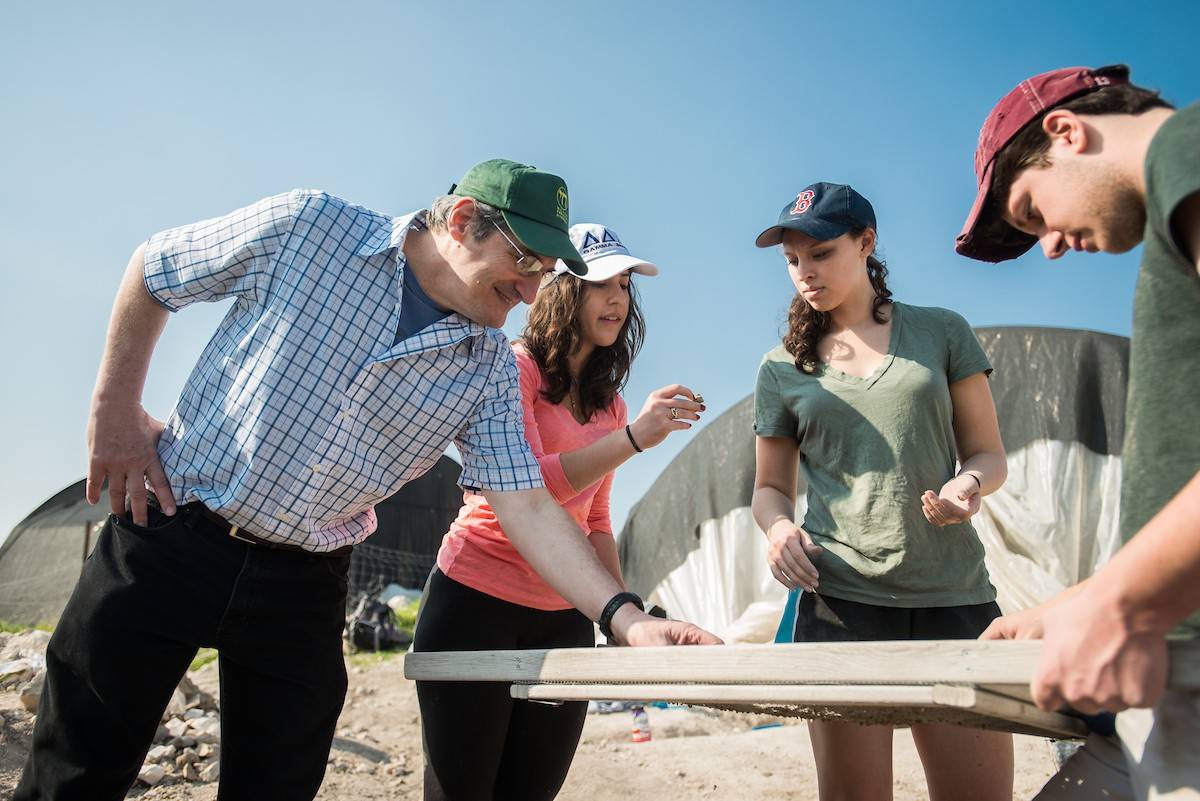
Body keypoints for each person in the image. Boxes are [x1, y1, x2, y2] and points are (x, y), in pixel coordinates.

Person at [16, 160, 719, 801]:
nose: (535, 289)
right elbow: (156, 267)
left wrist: (627, 619)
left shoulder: (487, 368)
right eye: (525, 260)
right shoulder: (310, 227)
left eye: (545, 270)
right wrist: (113, 411)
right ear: (464, 218)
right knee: (77, 769)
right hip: (175, 532)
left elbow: (530, 504)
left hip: (305, 585)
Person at [956, 64, 1199, 800]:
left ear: (1066, 130)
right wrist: (1074, 603)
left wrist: (1123, 605)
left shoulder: (1188, 146)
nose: (1051, 246)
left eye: (1032, 213)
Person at [414, 222, 703, 800]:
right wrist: (635, 439)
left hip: (566, 618)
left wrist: (626, 620)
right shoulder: (511, 367)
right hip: (475, 603)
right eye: (602, 284)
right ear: (560, 288)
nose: (618, 298)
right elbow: (523, 489)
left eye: (624, 285)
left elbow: (594, 521)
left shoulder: (611, 401)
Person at [752, 182, 1013, 801]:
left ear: (866, 243)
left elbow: (989, 454)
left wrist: (968, 485)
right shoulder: (781, 368)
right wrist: (780, 529)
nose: (804, 272)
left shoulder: (943, 333)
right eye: (792, 261)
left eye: (820, 252)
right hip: (840, 602)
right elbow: (768, 488)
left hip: (952, 596)